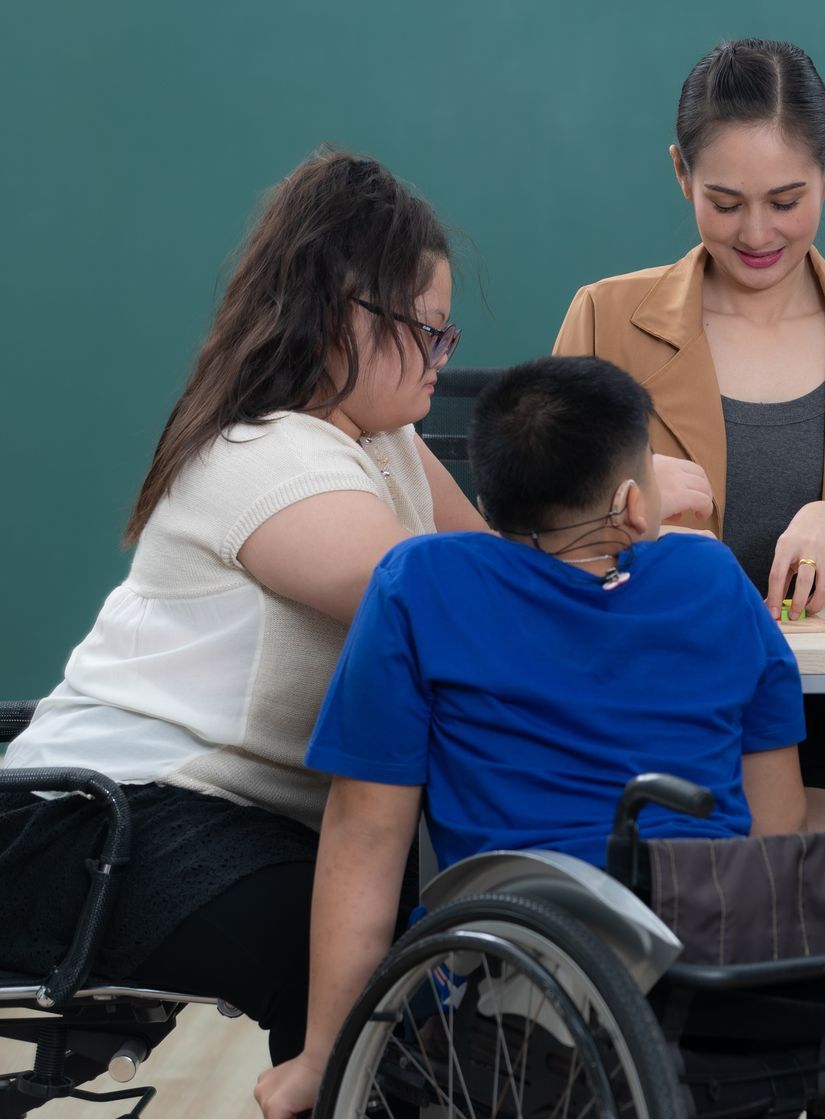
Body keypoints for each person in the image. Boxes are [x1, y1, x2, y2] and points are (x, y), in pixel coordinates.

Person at [250, 355, 807, 1119]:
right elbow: (775, 827)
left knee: (484, 967)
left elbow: (366, 835)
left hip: (528, 978)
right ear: (636, 502)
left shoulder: (421, 583)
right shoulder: (712, 579)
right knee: (704, 923)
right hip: (720, 967)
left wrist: (324, 1056)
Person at [0, 149, 483, 1066]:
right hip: (100, 827)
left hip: (213, 819)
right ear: (346, 315)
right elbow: (436, 599)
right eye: (427, 330)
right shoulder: (265, 456)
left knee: (411, 923)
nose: (439, 356)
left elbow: (486, 567)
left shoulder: (386, 443)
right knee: (356, 946)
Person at [553, 37, 825, 830]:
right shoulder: (605, 316)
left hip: (815, 713)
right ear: (680, 174)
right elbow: (536, 543)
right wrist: (632, 511)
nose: (757, 233)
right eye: (725, 203)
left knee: (810, 878)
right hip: (633, 697)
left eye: (787, 199)